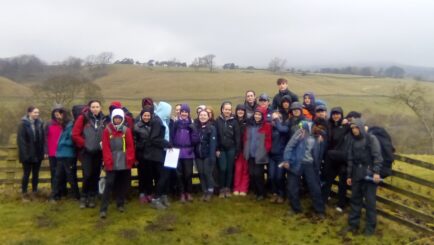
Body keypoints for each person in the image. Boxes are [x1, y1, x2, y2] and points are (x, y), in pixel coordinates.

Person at [344, 119, 383, 236]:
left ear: (360, 127)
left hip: (369, 175)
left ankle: (370, 228)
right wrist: (349, 175)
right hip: (356, 174)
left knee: (370, 203)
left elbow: (377, 156)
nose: (354, 130)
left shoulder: (371, 139)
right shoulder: (352, 141)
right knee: (355, 200)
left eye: (356, 127)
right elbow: (350, 159)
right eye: (352, 128)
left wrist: (376, 171)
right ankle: (353, 224)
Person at [282, 121, 325, 218]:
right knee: (292, 187)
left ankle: (319, 210)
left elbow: (323, 138)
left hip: (309, 164)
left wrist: (321, 139)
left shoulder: (318, 136)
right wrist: (286, 160)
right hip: (296, 163)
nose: (317, 129)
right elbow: (289, 146)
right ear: (311, 126)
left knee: (315, 187)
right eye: (315, 128)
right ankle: (295, 209)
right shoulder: (301, 132)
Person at [100, 109, 135, 219]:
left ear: (122, 119)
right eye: (116, 118)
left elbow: (130, 146)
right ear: (112, 118)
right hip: (112, 161)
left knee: (122, 183)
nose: (118, 120)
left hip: (124, 161)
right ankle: (103, 209)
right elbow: (105, 147)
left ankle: (120, 204)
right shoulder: (107, 130)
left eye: (120, 118)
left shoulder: (126, 130)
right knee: (109, 183)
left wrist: (129, 160)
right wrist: (108, 162)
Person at [72, 100, 105, 209]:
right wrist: (84, 144)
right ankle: (83, 196)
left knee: (96, 175)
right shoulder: (83, 118)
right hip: (86, 153)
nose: (95, 109)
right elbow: (75, 134)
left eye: (97, 106)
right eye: (93, 107)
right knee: (87, 175)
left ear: (100, 108)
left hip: (99, 152)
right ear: (89, 108)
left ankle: (92, 197)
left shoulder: (103, 120)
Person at [321, 107, 350, 212]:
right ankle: (322, 201)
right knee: (328, 180)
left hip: (342, 158)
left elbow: (357, 127)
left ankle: (341, 204)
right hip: (331, 158)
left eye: (338, 114)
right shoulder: (329, 126)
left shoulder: (346, 126)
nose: (335, 116)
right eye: (333, 114)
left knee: (342, 182)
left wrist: (348, 122)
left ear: (341, 115)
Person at [134, 106, 165, 204]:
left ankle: (150, 193)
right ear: (141, 116)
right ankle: (142, 193)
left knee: (150, 174)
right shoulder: (137, 127)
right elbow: (134, 142)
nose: (146, 117)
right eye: (144, 115)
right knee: (142, 175)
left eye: (148, 115)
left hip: (152, 154)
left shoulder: (153, 125)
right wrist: (143, 144)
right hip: (141, 154)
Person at [171, 104, 199, 202]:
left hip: (188, 152)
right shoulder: (176, 123)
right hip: (177, 151)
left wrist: (194, 130)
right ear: (180, 112)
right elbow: (172, 136)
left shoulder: (191, 124)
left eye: (186, 112)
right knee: (179, 174)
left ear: (188, 113)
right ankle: (182, 193)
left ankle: (189, 192)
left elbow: (195, 140)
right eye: (182, 111)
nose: (184, 113)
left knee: (188, 174)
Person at [17, 106, 45, 202]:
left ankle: (34, 191)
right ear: (29, 113)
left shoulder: (40, 123)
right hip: (27, 155)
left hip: (38, 154)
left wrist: (43, 152)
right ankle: (24, 193)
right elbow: (21, 141)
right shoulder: (23, 124)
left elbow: (42, 139)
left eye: (37, 112)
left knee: (36, 174)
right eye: (34, 112)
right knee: (26, 174)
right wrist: (25, 155)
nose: (37, 114)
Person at [52, 109, 81, 201]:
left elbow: (72, 140)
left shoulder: (71, 126)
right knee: (58, 176)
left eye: (59, 115)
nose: (58, 117)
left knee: (70, 176)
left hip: (68, 154)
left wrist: (61, 143)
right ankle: (55, 195)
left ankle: (76, 195)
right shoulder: (64, 126)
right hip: (61, 154)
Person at [243, 108, 272, 201]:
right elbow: (246, 139)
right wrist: (246, 150)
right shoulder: (250, 126)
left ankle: (262, 193)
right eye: (256, 114)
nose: (257, 116)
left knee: (258, 174)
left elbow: (268, 140)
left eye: (259, 115)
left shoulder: (266, 126)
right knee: (252, 173)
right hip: (250, 153)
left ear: (262, 116)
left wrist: (265, 151)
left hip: (260, 154)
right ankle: (256, 192)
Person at [150, 101, 174, 209]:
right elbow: (154, 138)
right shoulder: (157, 121)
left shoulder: (162, 120)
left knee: (166, 176)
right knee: (163, 176)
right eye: (168, 110)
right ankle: (156, 199)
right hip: (158, 153)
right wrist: (166, 144)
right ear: (164, 110)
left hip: (164, 151)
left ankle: (163, 196)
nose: (169, 113)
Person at [215, 101, 240, 198]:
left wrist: (237, 151)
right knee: (222, 169)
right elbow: (216, 136)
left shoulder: (234, 121)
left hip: (231, 149)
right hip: (221, 150)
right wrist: (216, 149)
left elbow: (237, 138)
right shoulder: (217, 121)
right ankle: (221, 188)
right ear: (222, 109)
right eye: (226, 109)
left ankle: (227, 188)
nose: (227, 111)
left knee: (230, 169)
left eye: (229, 109)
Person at [194, 108, 217, 201]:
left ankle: (210, 191)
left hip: (208, 155)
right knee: (201, 173)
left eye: (205, 115)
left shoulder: (211, 128)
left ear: (208, 117)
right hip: (198, 155)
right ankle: (204, 191)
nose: (202, 117)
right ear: (198, 116)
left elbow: (213, 143)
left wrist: (212, 157)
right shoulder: (196, 127)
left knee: (207, 173)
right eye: (201, 115)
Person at [45, 105, 67, 197]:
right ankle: (55, 192)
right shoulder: (49, 124)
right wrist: (45, 151)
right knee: (54, 173)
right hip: (52, 153)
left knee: (64, 172)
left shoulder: (65, 124)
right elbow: (44, 138)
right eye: (56, 113)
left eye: (59, 113)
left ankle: (63, 191)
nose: (58, 115)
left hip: (63, 152)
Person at [269, 111, 289, 203]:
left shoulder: (284, 128)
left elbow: (282, 130)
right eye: (273, 119)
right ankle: (274, 193)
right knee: (272, 176)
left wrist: (277, 122)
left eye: (276, 119)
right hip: (271, 157)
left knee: (279, 177)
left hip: (281, 157)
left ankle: (281, 194)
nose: (274, 121)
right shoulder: (270, 129)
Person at [233, 104, 249, 196]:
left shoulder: (248, 122)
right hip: (236, 150)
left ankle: (243, 188)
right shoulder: (233, 121)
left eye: (242, 110)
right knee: (238, 170)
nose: (240, 112)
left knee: (245, 170)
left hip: (246, 150)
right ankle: (236, 188)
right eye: (239, 110)